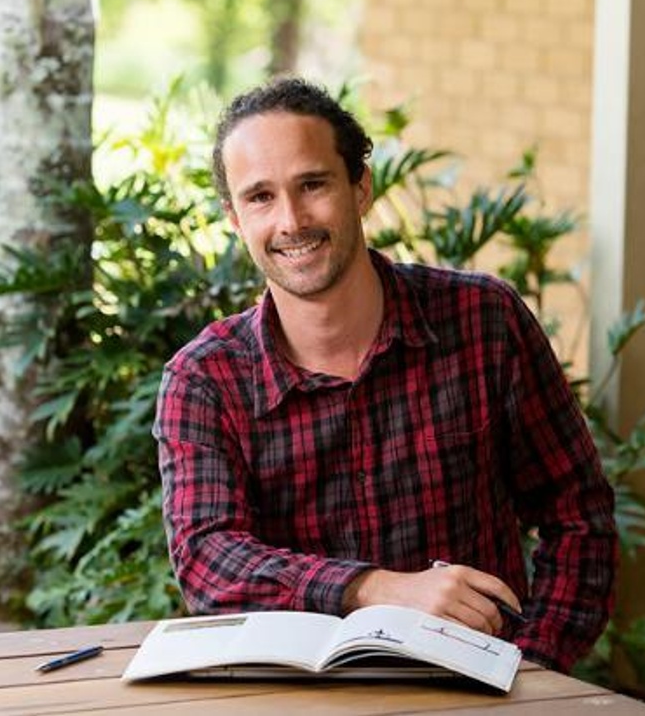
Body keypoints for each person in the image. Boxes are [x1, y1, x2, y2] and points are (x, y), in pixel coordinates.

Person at [154, 76, 617, 672]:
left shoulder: (483, 322)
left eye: (312, 184)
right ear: (235, 218)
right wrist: (376, 589)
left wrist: (529, 667)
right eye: (260, 197)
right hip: (297, 701)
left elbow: (578, 517)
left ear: (361, 186)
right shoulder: (205, 379)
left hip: (476, 686)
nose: (291, 220)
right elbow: (209, 559)